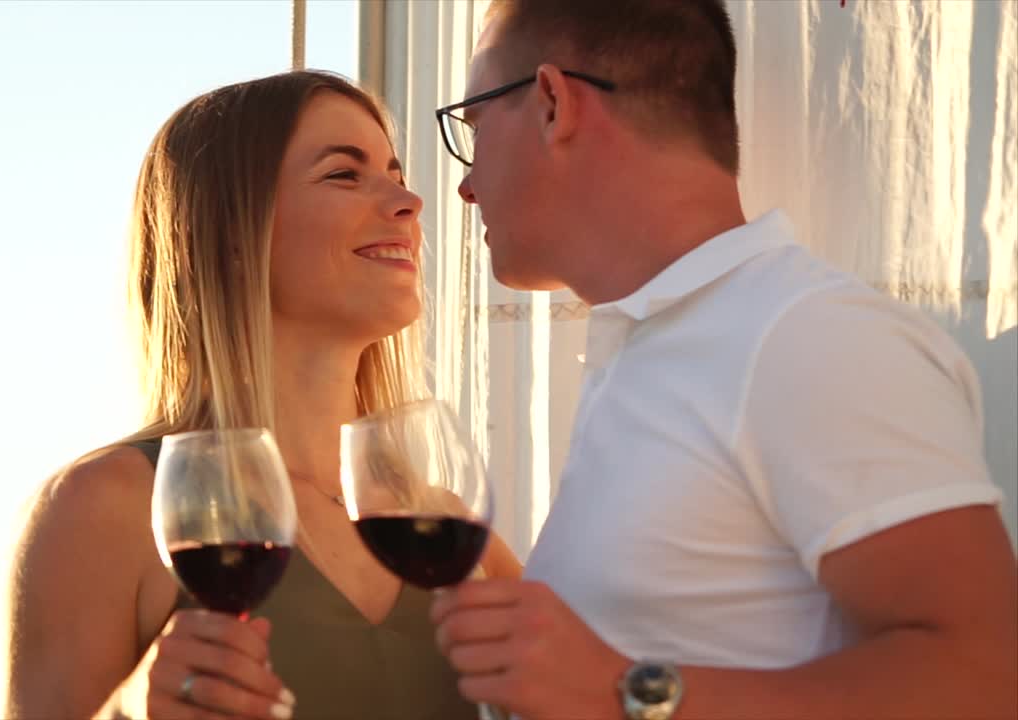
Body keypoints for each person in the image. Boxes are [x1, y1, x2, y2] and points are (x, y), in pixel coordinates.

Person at [428, 2, 1018, 719]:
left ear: (553, 102)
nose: (464, 185)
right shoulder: (657, 348)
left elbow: (988, 679)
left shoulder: (806, 336)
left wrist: (626, 693)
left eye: (473, 126)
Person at [4, 70, 522, 720]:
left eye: (395, 174)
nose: (408, 201)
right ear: (230, 234)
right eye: (344, 174)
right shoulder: (109, 504)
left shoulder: (449, 528)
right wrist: (131, 709)